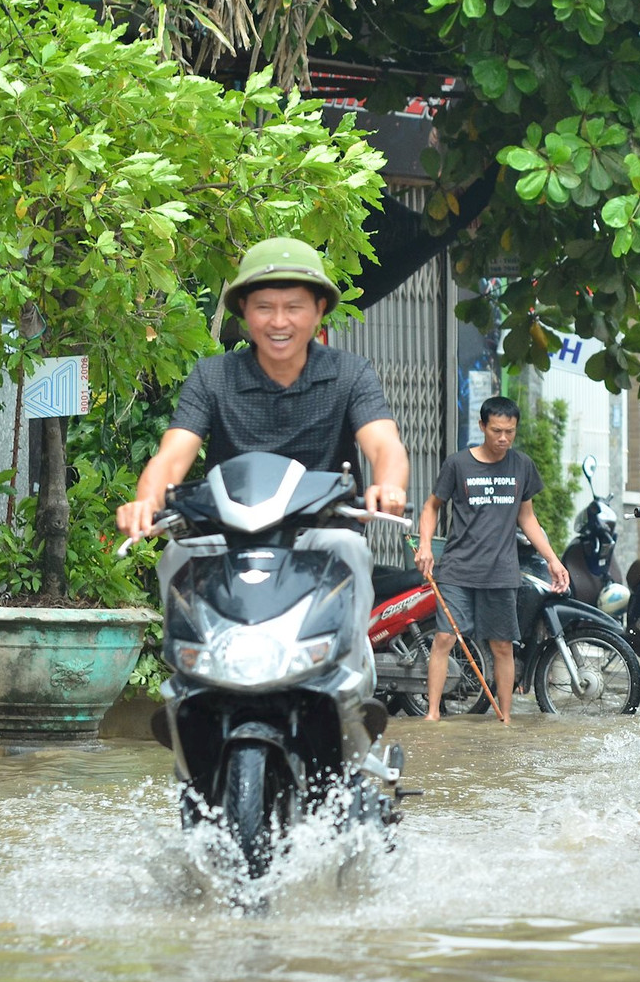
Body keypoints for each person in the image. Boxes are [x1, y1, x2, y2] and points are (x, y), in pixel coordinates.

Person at [115, 237, 409, 679]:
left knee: (349, 547)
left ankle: (345, 679)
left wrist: (388, 485)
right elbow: (173, 454)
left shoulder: (351, 374)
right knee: (175, 555)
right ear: (245, 313)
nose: (279, 321)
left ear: (319, 311)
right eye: (264, 307)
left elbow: (384, 444)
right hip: (226, 539)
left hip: (318, 535)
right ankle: (190, 678)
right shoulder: (213, 376)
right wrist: (146, 501)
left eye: (294, 307)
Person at [414, 396, 569, 720]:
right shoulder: (458, 464)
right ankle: (432, 715)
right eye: (496, 430)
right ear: (482, 426)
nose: (503, 438)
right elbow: (431, 506)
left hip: (501, 571)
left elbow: (527, 518)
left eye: (510, 432)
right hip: (457, 568)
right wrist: (425, 545)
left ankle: (506, 720)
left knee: (502, 645)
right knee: (444, 638)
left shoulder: (521, 465)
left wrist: (553, 560)